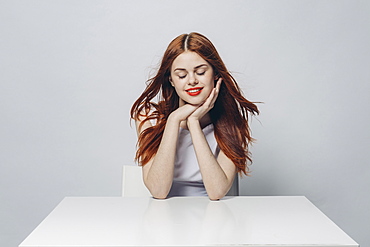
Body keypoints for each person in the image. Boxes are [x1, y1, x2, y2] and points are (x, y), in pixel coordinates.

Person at [130, 32, 259, 200]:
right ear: (171, 80)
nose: (192, 81)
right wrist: (173, 120)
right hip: (162, 218)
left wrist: (193, 122)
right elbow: (158, 191)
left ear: (215, 74)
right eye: (182, 75)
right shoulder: (148, 117)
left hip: (213, 217)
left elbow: (216, 192)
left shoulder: (232, 124)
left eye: (200, 72)